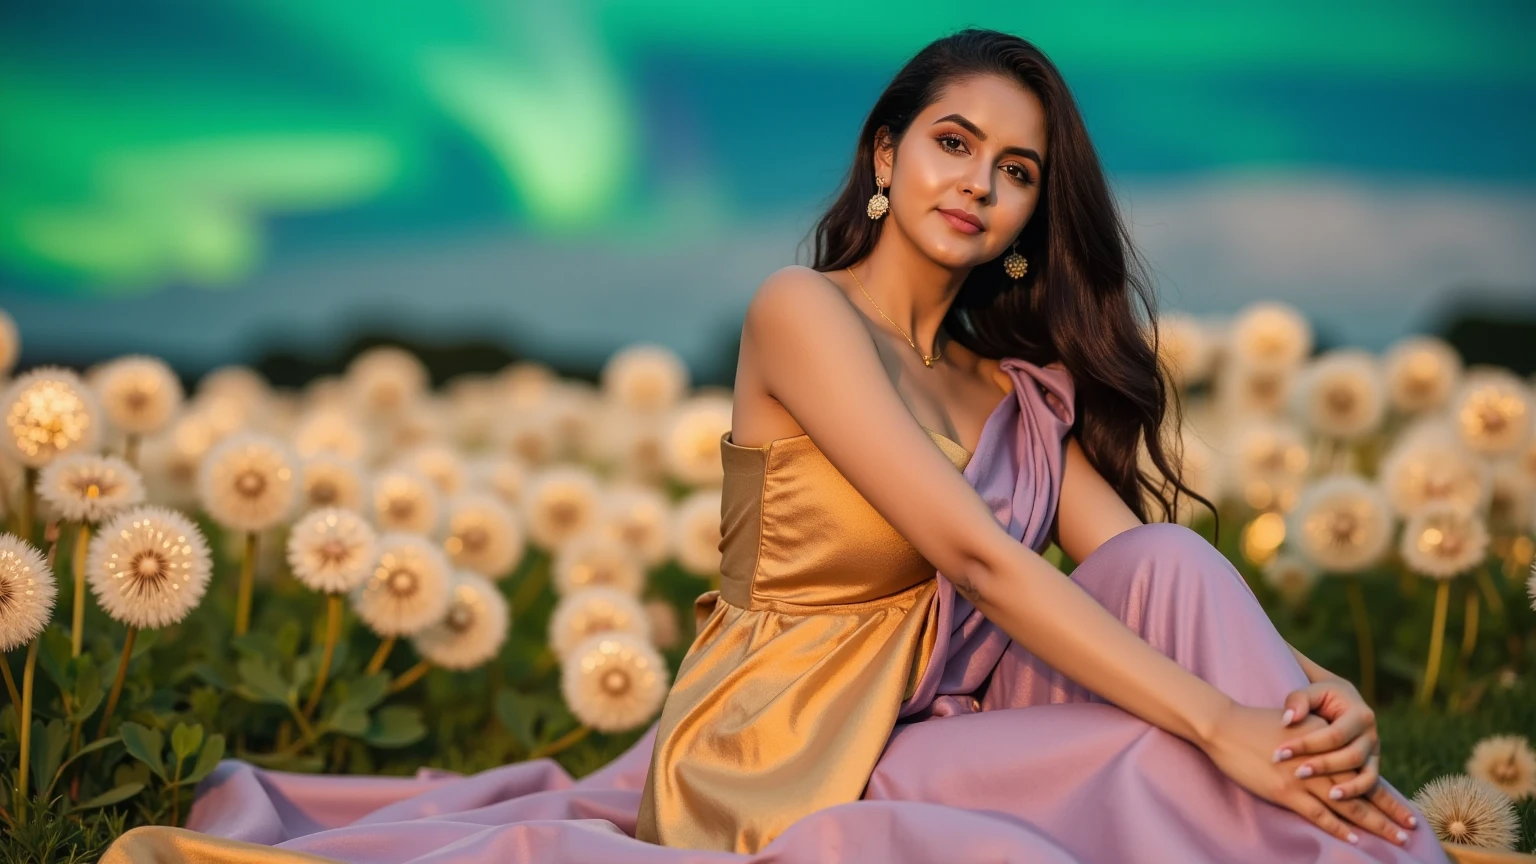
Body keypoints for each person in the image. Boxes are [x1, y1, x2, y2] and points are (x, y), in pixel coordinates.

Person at [105, 28, 1495, 864]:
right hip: (797, 740)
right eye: (955, 144)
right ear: (884, 155)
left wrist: (1312, 697)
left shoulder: (1010, 385)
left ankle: (1343, 811)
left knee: (1179, 563)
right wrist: (1222, 724)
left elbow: (1131, 568)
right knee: (1163, 764)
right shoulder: (801, 314)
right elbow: (969, 553)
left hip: (956, 715)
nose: (982, 187)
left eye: (1017, 174)